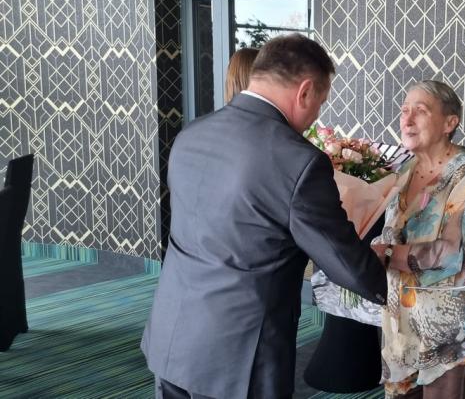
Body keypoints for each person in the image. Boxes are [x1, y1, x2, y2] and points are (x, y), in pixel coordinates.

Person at [141, 34, 388, 399]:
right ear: (305, 91)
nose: (315, 116)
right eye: (320, 103)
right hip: (238, 354)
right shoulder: (299, 161)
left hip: (173, 333)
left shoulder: (192, 134)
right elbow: (344, 263)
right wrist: (382, 272)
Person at [371, 80, 465, 399]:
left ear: (449, 123)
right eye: (404, 110)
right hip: (401, 320)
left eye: (420, 111)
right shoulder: (406, 169)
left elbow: (453, 254)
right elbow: (391, 229)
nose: (407, 119)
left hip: (448, 330)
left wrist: (385, 253)